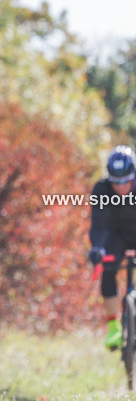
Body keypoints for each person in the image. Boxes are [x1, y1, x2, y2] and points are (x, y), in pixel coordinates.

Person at [88, 145, 136, 350]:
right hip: (116, 236)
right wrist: (98, 248)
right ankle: (114, 327)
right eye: (116, 182)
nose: (122, 187)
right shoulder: (101, 189)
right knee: (107, 269)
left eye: (126, 181)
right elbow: (98, 224)